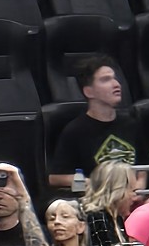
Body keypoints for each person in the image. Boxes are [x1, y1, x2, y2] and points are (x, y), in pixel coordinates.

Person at [46, 56, 137, 191]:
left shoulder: (131, 123)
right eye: (106, 80)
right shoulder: (75, 131)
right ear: (89, 91)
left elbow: (143, 167)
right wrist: (94, 183)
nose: (116, 84)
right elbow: (55, 178)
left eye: (115, 78)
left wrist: (138, 188)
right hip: (97, 197)